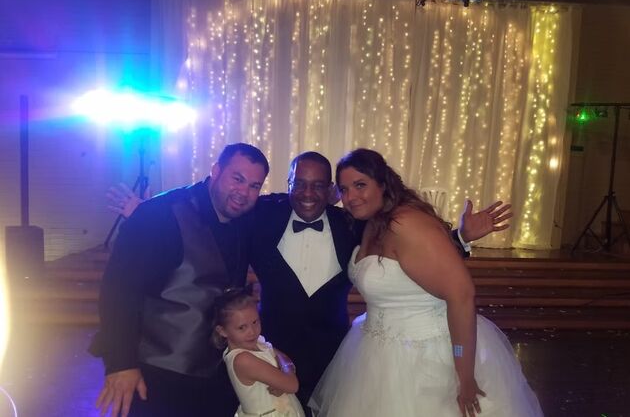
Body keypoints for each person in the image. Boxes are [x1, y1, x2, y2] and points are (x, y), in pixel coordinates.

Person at [106, 151, 513, 415]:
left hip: (338, 357)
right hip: (270, 351)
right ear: (286, 185)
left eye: (320, 185)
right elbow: (209, 223)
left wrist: (460, 238)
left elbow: (412, 257)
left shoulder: (353, 224)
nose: (307, 193)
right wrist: (151, 215)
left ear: (331, 191)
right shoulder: (260, 217)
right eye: (299, 183)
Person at [309, 148, 543, 417]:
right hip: (375, 350)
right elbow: (415, 266)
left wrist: (464, 375)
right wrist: (461, 237)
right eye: (344, 189)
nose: (351, 197)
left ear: (383, 184)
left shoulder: (405, 223)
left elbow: (462, 295)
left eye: (360, 185)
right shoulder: (371, 220)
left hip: (427, 357)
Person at [90, 143, 270, 417]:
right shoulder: (160, 215)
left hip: (217, 375)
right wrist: (121, 364)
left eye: (254, 186)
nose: (244, 192)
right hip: (158, 374)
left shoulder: (245, 217)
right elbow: (119, 292)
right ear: (216, 171)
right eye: (237, 179)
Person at [213, 286, 305, 417]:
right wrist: (286, 371)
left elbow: (284, 358)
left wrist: (286, 370)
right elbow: (293, 385)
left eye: (255, 322)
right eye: (242, 327)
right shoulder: (243, 360)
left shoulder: (258, 343)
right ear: (222, 331)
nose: (252, 331)